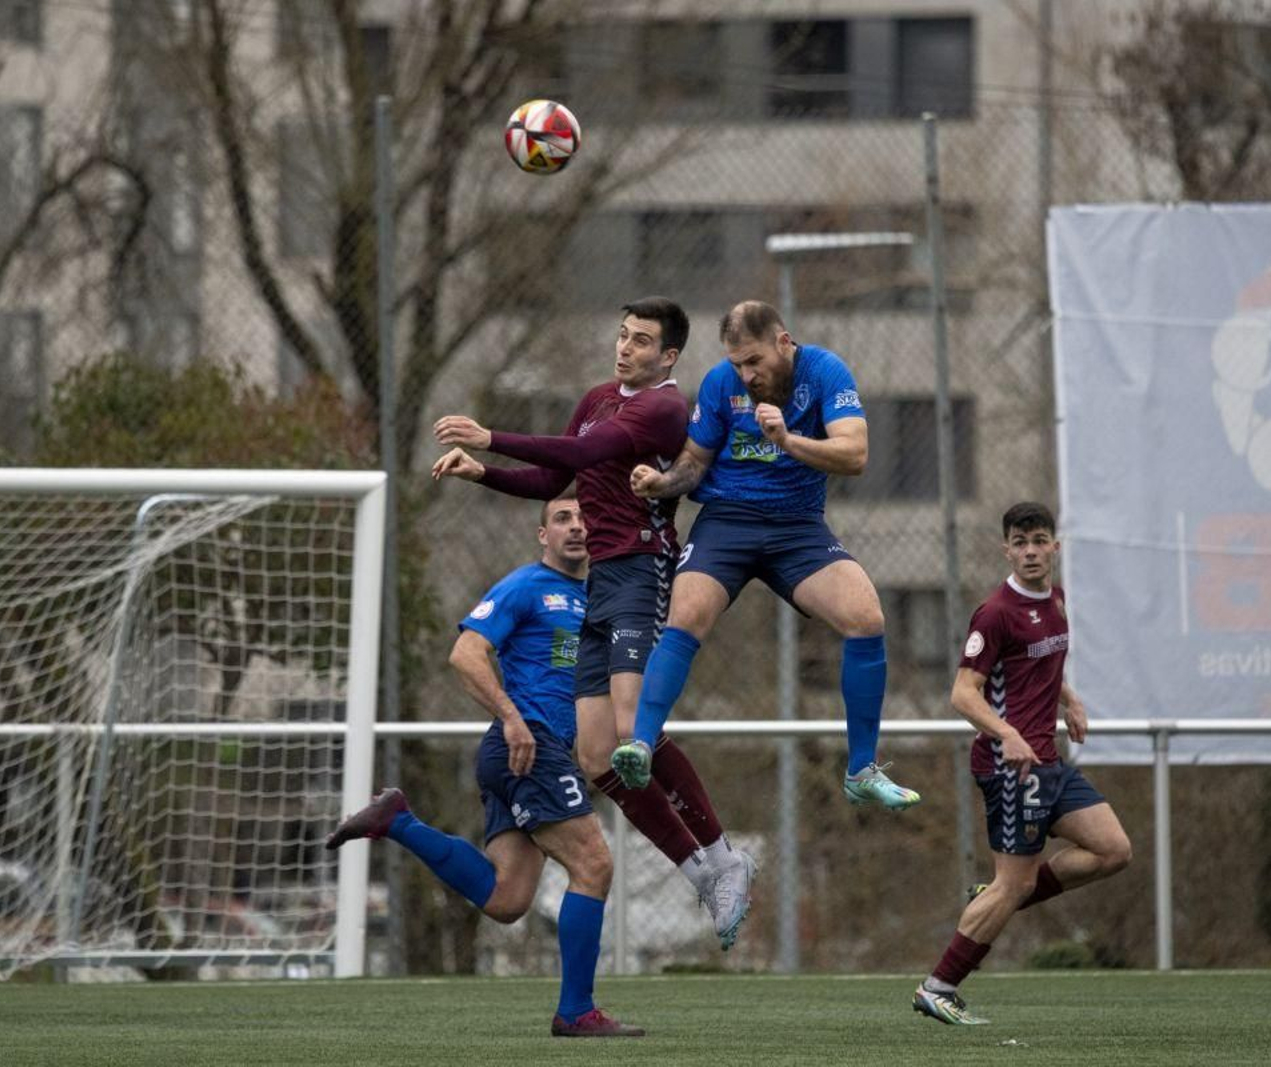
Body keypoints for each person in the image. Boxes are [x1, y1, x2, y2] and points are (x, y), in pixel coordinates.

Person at [430, 297, 755, 949]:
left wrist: (490, 435)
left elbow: (592, 448)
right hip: (604, 580)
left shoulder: (662, 408)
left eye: (642, 341)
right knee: (597, 755)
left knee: (634, 731)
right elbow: (555, 476)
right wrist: (483, 471)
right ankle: (700, 871)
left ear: (668, 356)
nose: (625, 348)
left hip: (642, 569)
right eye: (623, 335)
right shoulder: (597, 398)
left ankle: (725, 859)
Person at [326, 495, 643, 1038]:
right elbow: (465, 653)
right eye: (562, 519)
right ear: (542, 535)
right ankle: (576, 1012)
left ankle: (397, 820)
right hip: (527, 745)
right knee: (594, 864)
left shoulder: (598, 597)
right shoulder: (525, 586)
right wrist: (513, 718)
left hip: (526, 753)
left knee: (506, 899)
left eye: (584, 518)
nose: (576, 527)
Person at [610, 300, 919, 811]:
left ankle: (862, 770)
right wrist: (661, 482)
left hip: (797, 526)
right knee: (686, 616)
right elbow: (695, 462)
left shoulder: (825, 372)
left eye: (754, 361)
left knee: (866, 618)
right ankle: (640, 745)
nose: (746, 375)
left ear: (783, 342)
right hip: (727, 521)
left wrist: (788, 440)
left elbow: (855, 455)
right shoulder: (720, 383)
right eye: (737, 364)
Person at [914, 502, 1133, 1026]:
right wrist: (1008, 734)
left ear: (1055, 546)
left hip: (1047, 762)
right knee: (1013, 884)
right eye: (1020, 542)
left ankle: (996, 899)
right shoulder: (995, 613)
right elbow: (963, 694)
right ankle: (938, 987)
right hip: (1010, 768)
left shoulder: (1056, 600)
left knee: (1112, 850)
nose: (1030, 551)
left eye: (1039, 541)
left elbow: (1037, 666)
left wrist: (1070, 700)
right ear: (1006, 550)